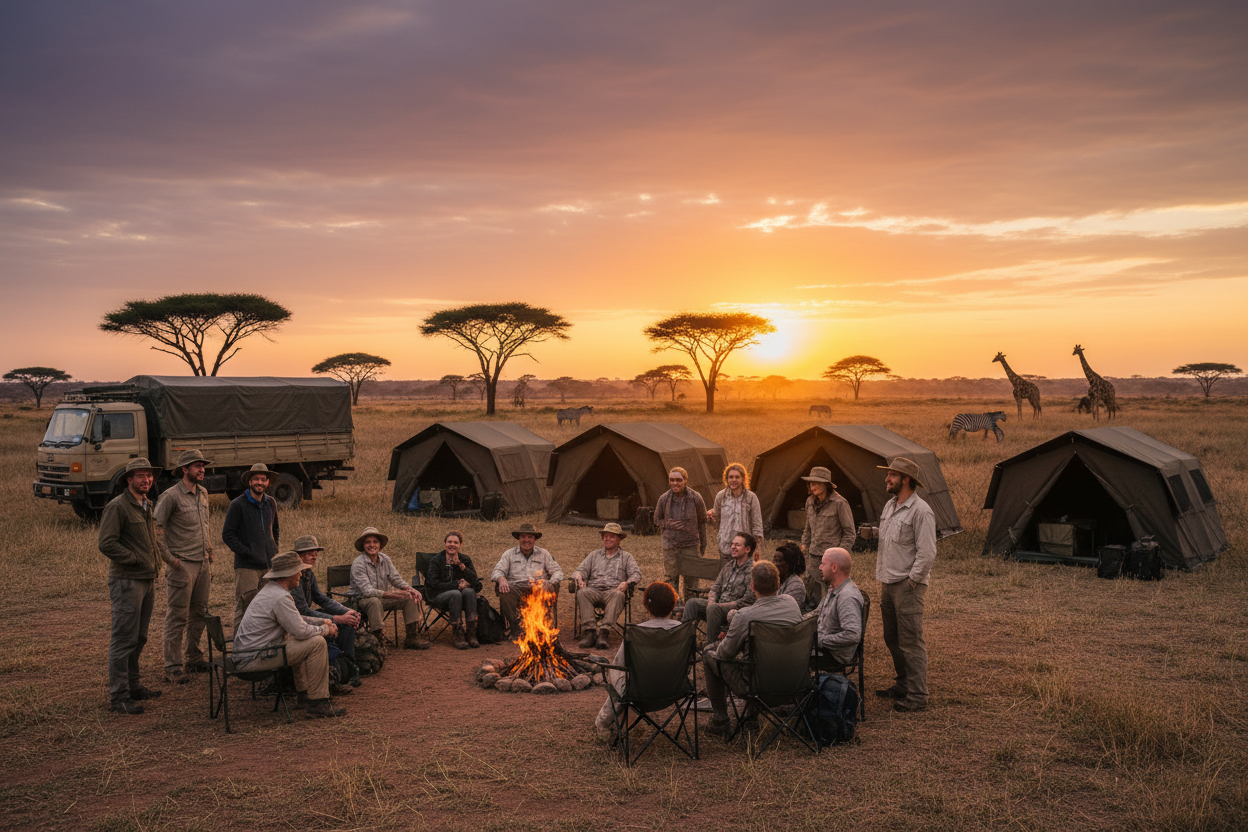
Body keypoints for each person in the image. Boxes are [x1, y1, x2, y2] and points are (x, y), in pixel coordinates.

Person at [232, 551, 346, 718]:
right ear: (288, 574)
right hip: (253, 660)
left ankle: (304, 695)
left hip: (248, 655)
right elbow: (300, 629)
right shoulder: (280, 597)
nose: (301, 574)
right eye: (298, 570)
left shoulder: (273, 591)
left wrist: (321, 623)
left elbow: (296, 620)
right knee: (316, 643)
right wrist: (325, 630)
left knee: (298, 639)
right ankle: (317, 702)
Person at [701, 561, 802, 736]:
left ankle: (720, 721)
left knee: (710, 653)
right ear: (778, 584)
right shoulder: (791, 603)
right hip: (795, 680)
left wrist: (731, 634)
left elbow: (724, 654)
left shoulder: (745, 616)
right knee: (755, 658)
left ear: (752, 585)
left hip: (756, 686)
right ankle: (751, 719)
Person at [98, 458, 163, 715]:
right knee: (123, 639)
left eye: (148, 475)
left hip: (147, 580)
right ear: (129, 480)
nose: (146, 480)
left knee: (139, 637)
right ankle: (119, 696)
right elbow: (106, 543)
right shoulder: (118, 507)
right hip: (127, 581)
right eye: (140, 476)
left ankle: (134, 686)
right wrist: (134, 559)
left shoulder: (147, 504)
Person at [874, 457, 936, 713]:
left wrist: (912, 581)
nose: (887, 479)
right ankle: (903, 684)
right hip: (887, 582)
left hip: (906, 585)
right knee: (892, 637)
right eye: (888, 475)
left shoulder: (921, 511)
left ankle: (918, 695)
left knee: (911, 640)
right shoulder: (889, 506)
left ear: (905, 479)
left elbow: (928, 552)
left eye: (891, 475)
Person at [153, 449, 214, 685]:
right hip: (182, 566)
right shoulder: (170, 496)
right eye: (196, 466)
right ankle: (173, 666)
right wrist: (170, 560)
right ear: (184, 469)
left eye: (202, 466)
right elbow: (156, 529)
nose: (201, 470)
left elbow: (206, 526)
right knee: (177, 616)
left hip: (202, 564)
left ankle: (194, 658)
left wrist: (210, 553)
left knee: (199, 612)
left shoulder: (204, 493)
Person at [593, 581, 682, 733]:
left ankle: (603, 722)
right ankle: (624, 717)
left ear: (647, 606)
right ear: (673, 605)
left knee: (616, 671)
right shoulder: (683, 630)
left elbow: (619, 664)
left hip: (639, 693)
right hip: (676, 690)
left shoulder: (637, 633)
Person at [291, 535, 361, 692]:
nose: (314, 555)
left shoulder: (308, 573)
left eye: (315, 552)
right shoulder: (293, 576)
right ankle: (332, 678)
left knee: (347, 623)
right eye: (309, 552)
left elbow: (321, 598)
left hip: (306, 616)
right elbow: (302, 611)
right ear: (298, 555)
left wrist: (347, 611)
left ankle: (348, 667)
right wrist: (336, 618)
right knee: (333, 626)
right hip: (297, 621)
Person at [349, 526, 430, 650]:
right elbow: (367, 591)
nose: (372, 545)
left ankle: (412, 637)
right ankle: (378, 640)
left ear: (380, 544)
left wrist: (409, 589)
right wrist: (392, 594)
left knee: (409, 598)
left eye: (375, 541)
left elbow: (396, 579)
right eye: (368, 542)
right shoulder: (358, 563)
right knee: (374, 602)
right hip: (361, 600)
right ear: (363, 545)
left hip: (383, 597)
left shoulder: (385, 559)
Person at [221, 463, 280, 631]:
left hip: (268, 566)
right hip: (246, 568)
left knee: (265, 608)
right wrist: (247, 553)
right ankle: (240, 651)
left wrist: (274, 550)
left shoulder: (271, 503)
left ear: (268, 482)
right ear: (249, 481)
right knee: (244, 608)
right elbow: (227, 535)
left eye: (263, 479)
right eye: (256, 479)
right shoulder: (237, 504)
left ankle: (259, 646)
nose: (259, 483)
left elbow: (275, 530)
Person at [573, 523, 643, 650]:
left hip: (613, 591)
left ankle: (604, 633)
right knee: (582, 593)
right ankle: (590, 633)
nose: (607, 539)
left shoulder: (626, 557)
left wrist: (627, 583)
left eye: (611, 536)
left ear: (619, 539)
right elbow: (580, 570)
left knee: (618, 595)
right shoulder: (594, 555)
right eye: (605, 536)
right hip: (593, 590)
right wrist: (579, 578)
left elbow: (636, 574)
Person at [491, 523, 564, 637]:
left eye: (530, 537)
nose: (526, 540)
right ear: (519, 538)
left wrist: (549, 583)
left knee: (544, 589)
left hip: (538, 589)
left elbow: (558, 572)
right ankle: (516, 628)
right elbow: (497, 571)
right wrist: (501, 578)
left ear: (534, 539)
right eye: (523, 537)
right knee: (505, 591)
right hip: (516, 589)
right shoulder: (509, 554)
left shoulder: (543, 554)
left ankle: (540, 628)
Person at [682, 532, 757, 643]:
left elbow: (747, 600)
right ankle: (683, 644)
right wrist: (711, 602)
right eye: (732, 544)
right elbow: (715, 588)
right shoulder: (728, 566)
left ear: (747, 549)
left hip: (736, 613)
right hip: (716, 609)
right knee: (692, 603)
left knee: (713, 609)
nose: (733, 547)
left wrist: (717, 606)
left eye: (737, 545)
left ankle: (711, 650)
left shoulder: (753, 570)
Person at [799, 466, 856, 603]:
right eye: (811, 484)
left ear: (826, 484)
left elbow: (849, 533)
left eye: (817, 483)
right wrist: (804, 548)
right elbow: (808, 529)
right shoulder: (810, 502)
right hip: (813, 557)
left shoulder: (839, 503)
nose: (813, 487)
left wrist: (839, 556)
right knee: (813, 594)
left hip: (832, 560)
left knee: (834, 595)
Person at [654, 467, 707, 595]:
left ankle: (690, 610)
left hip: (691, 545)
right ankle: (674, 608)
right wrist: (672, 524)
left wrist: (703, 543)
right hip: (670, 545)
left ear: (685, 481)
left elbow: (702, 521)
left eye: (679, 480)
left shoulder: (695, 497)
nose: (675, 483)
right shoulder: (664, 499)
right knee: (671, 579)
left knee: (691, 580)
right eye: (672, 480)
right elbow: (657, 519)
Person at [426, 531, 483, 650]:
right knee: (456, 593)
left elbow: (475, 581)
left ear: (460, 545)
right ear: (445, 543)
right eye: (449, 542)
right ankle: (458, 634)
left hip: (462, 597)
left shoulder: (465, 559)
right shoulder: (436, 560)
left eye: (456, 542)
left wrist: (461, 566)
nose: (452, 545)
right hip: (438, 596)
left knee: (469, 591)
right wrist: (456, 584)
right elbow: (433, 583)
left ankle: (471, 633)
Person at [814, 547, 864, 666]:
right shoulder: (834, 588)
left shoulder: (847, 596)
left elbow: (852, 635)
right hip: (823, 649)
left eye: (823, 564)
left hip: (833, 655)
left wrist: (820, 641)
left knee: (787, 656)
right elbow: (817, 613)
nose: (820, 567)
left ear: (834, 567)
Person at [707, 463, 763, 559]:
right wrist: (710, 513)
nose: (733, 480)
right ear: (727, 479)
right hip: (725, 546)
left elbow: (757, 524)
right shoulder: (721, 496)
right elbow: (716, 513)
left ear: (743, 479)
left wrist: (757, 548)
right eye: (731, 477)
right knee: (726, 573)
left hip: (745, 548)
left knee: (744, 574)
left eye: (737, 477)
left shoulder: (751, 498)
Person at [772, 542, 808, 612]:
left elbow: (785, 610)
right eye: (774, 560)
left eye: (779, 561)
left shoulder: (796, 584)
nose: (775, 564)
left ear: (789, 564)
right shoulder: (776, 580)